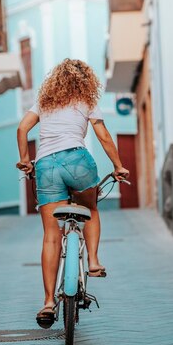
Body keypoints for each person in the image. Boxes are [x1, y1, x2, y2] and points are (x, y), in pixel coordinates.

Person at [16, 58, 129, 328]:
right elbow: (102, 135)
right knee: (90, 209)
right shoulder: (86, 102)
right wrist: (118, 166)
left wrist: (25, 160)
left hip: (46, 166)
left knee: (51, 235)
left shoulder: (44, 103)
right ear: (86, 81)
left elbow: (22, 128)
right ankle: (93, 261)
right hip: (77, 161)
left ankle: (47, 303)